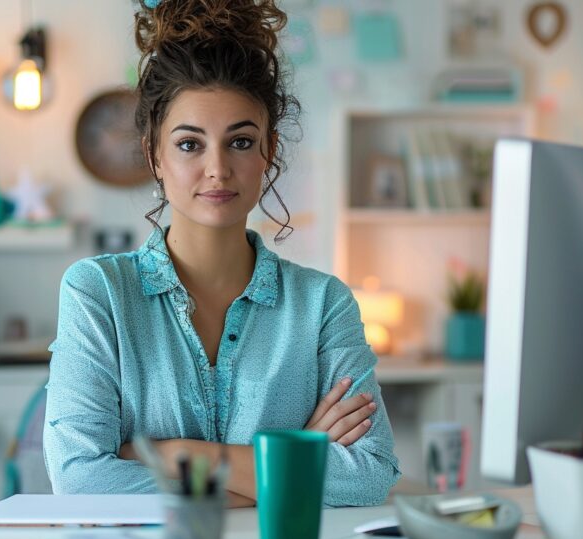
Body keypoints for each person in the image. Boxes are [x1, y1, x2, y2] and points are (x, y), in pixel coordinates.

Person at [44, 0, 400, 508]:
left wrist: (180, 455)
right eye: (190, 144)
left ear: (268, 152)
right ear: (154, 155)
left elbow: (368, 474)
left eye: (240, 141)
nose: (217, 168)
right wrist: (290, 468)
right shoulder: (97, 293)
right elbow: (80, 478)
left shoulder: (324, 305)